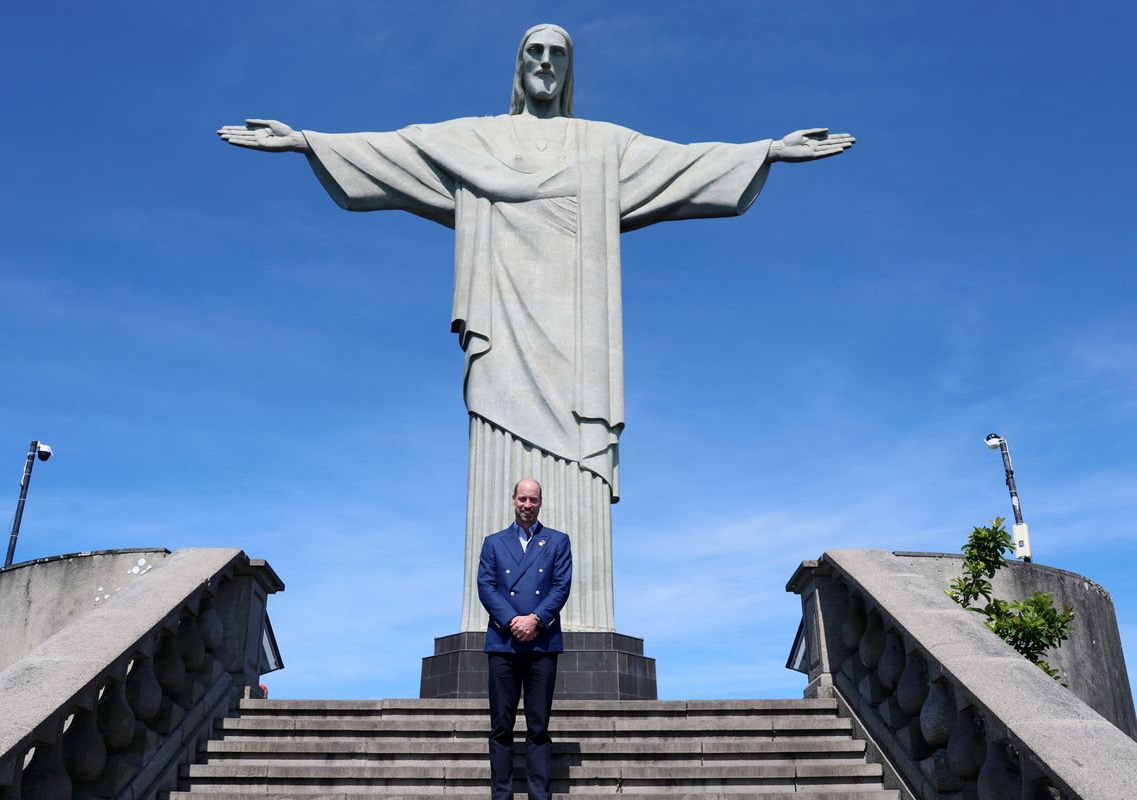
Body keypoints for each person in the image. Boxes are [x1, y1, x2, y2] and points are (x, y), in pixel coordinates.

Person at [218, 24, 854, 637]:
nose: (546, 61)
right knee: (497, 448)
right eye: (534, 51)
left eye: (558, 53)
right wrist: (306, 141)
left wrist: (766, 150)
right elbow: (397, 150)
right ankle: (494, 625)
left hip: (579, 338)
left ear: (569, 69)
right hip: (502, 324)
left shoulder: (603, 145)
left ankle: (576, 623)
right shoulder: (477, 140)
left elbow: (684, 165)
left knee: (579, 463)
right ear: (519, 67)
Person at [476, 477, 571, 800]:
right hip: (503, 642)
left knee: (538, 727)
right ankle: (501, 795)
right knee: (501, 727)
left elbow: (561, 586)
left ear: (540, 502)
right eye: (522, 499)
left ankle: (538, 795)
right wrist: (512, 620)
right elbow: (486, 586)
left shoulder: (558, 541)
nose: (527, 506)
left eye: (533, 500)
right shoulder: (493, 542)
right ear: (513, 500)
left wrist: (536, 619)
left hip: (542, 642)